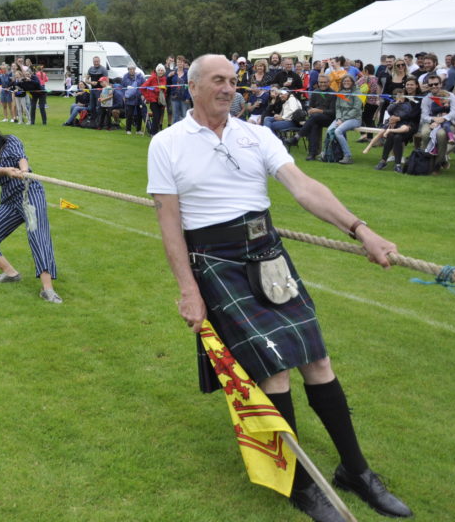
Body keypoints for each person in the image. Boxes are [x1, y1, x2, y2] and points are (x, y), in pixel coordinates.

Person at [147, 54, 412, 522]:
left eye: (233, 81)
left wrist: (361, 229)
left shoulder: (258, 134)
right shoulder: (166, 144)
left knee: (318, 360)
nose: (229, 88)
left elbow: (304, 187)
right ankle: (301, 483)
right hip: (214, 261)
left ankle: (356, 471)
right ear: (192, 87)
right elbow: (169, 223)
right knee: (274, 369)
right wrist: (188, 289)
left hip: (268, 254)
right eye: (218, 80)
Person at [0, 120, 61, 304]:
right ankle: (11, 273)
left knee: (37, 235)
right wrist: (7, 171)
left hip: (30, 192)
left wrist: (23, 171)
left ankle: (47, 289)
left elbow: (21, 157)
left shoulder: (10, 141)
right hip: (10, 199)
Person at [323, 74, 363, 164]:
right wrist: (339, 118)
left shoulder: (358, 93)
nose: (346, 83)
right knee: (329, 130)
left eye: (348, 81)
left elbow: (356, 109)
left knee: (338, 131)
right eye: (344, 81)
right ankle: (328, 154)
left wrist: (343, 119)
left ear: (352, 82)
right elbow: (338, 108)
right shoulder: (340, 92)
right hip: (341, 118)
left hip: (354, 119)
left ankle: (347, 156)